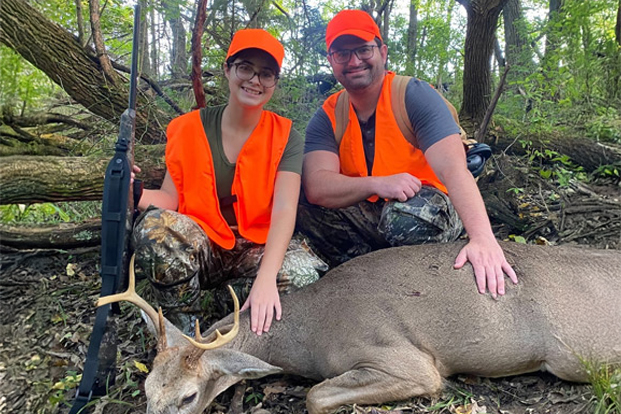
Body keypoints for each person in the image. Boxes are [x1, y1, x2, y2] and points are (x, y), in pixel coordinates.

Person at [297, 10, 517, 298]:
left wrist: (483, 238)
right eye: (342, 53)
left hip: (425, 205)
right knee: (300, 205)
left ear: (382, 52)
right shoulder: (329, 115)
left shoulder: (412, 96)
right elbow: (317, 186)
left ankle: (420, 284)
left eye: (363, 49)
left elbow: (454, 170)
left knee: (404, 219)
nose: (354, 61)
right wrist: (377, 183)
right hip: (372, 207)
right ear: (331, 61)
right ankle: (359, 271)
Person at [132, 28, 326, 336]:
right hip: (203, 245)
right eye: (245, 67)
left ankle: (233, 297)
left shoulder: (287, 136)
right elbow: (171, 199)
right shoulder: (187, 129)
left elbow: (285, 209)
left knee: (304, 274)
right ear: (227, 69)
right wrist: (133, 192)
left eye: (266, 74)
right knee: (154, 228)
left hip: (255, 247)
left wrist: (266, 277)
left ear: (274, 83)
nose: (254, 81)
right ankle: (183, 335)